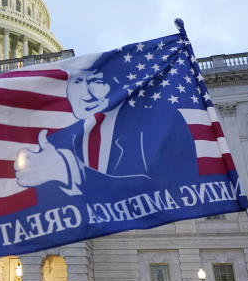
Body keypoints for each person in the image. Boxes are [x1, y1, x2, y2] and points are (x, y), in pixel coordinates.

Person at [14, 52, 196, 195]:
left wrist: (68, 171)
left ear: (117, 83)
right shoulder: (57, 140)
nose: (85, 95)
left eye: (97, 81)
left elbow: (172, 186)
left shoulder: (155, 125)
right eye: (77, 81)